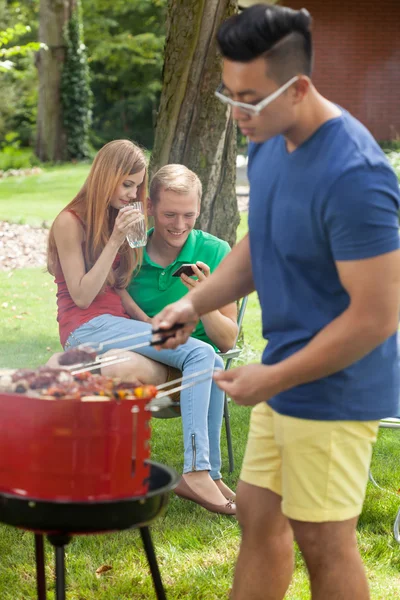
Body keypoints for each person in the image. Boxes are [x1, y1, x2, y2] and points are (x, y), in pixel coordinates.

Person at [151, 5, 400, 600]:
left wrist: (272, 378)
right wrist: (193, 305)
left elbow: (376, 316)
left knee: (324, 542)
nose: (237, 113)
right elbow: (259, 245)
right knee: (259, 520)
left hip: (336, 386)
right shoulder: (268, 138)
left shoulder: (355, 177)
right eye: (229, 95)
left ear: (301, 87)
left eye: (251, 99)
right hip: (283, 371)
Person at [47, 149, 238, 515]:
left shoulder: (111, 219)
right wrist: (118, 240)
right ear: (106, 176)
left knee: (210, 354)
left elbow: (117, 290)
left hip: (115, 325)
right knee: (200, 352)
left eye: (137, 187)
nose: (132, 195)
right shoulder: (71, 222)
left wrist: (149, 324)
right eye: (128, 185)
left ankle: (208, 474)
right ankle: (196, 471)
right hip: (86, 327)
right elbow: (84, 297)